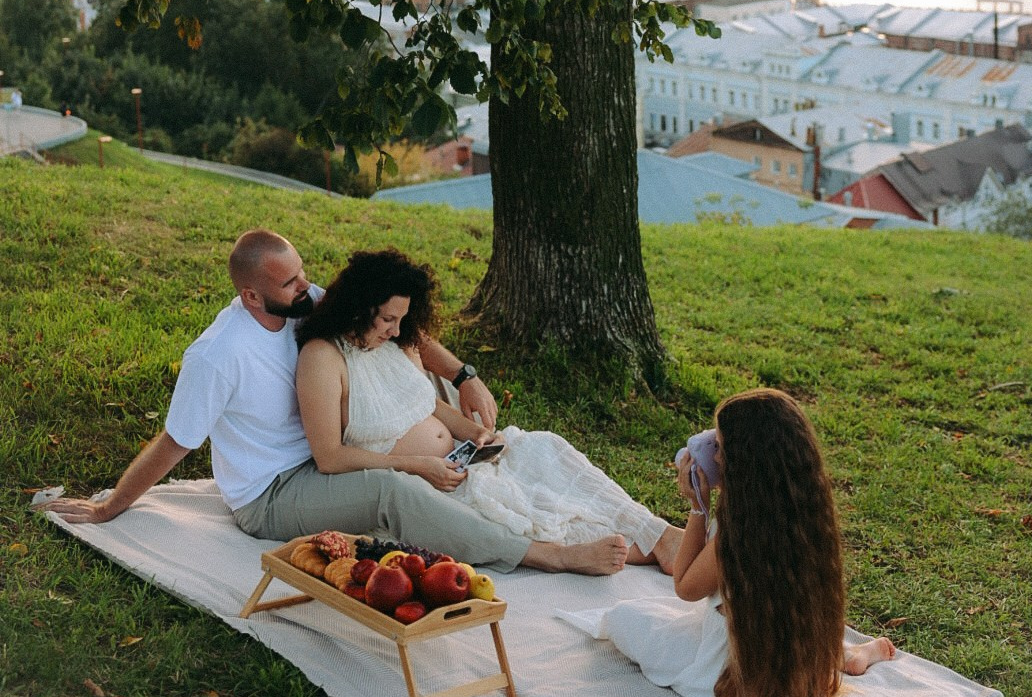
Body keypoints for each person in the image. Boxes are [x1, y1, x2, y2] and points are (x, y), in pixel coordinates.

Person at [45, 229, 629, 574]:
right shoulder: (218, 355)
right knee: (392, 490)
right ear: (252, 296)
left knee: (471, 459)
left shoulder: (305, 304)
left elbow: (397, 329)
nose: (306, 287)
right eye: (290, 283)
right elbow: (175, 442)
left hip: (329, 461)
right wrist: (109, 507)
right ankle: (546, 555)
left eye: (302, 274)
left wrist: (464, 374)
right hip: (273, 494)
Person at [293, 248, 682, 571]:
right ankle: (636, 550)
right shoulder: (323, 359)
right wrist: (418, 466)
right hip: (425, 482)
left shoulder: (395, 342)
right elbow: (330, 457)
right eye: (388, 319)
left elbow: (425, 405)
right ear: (360, 308)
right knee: (527, 509)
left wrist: (475, 434)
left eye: (402, 320)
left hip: (459, 460)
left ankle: (659, 532)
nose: (396, 330)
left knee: (544, 450)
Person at [559, 389, 895, 697]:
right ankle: (843, 655)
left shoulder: (741, 529)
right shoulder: (809, 513)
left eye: (719, 447)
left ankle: (845, 654)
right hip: (799, 661)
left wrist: (698, 507)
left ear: (744, 461)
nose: (713, 456)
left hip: (735, 668)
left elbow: (686, 587)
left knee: (625, 617)